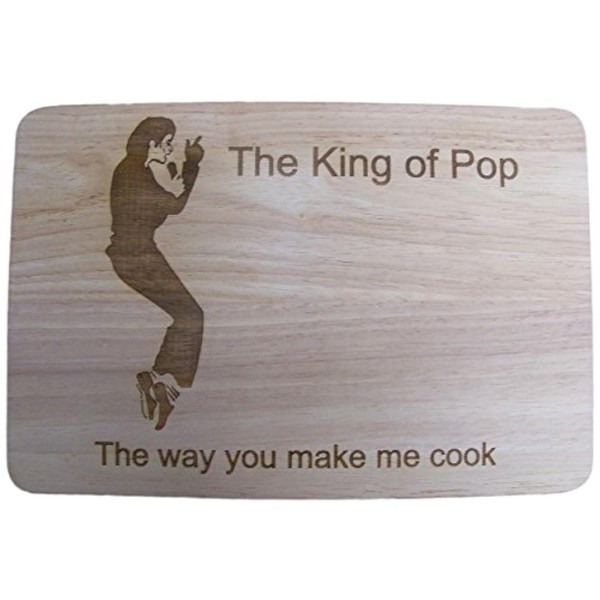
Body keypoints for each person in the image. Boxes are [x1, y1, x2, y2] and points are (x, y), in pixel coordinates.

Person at [106, 117, 205, 430]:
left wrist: (179, 169)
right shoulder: (131, 172)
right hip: (135, 256)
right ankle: (165, 382)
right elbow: (174, 205)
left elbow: (170, 199)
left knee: (188, 316)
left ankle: (158, 380)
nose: (170, 149)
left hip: (137, 254)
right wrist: (191, 166)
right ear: (151, 143)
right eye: (167, 143)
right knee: (191, 316)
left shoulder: (142, 170)